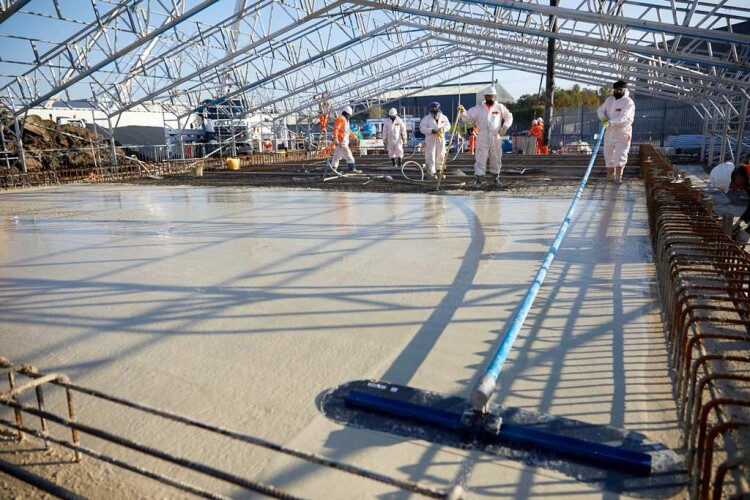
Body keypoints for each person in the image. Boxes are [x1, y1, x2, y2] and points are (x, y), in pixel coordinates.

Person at [458, 86, 513, 188]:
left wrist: (505, 127)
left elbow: (509, 116)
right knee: (480, 157)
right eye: (488, 96)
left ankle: (496, 179)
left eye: (492, 96)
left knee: (496, 157)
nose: (490, 98)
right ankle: (479, 180)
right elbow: (468, 119)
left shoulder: (500, 107)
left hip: (496, 136)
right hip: (482, 136)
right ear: (485, 97)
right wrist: (462, 112)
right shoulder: (478, 109)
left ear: (495, 97)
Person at [597, 80, 635, 183]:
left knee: (620, 155)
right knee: (608, 154)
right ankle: (609, 176)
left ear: (624, 89)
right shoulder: (610, 100)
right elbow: (600, 110)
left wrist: (610, 122)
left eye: (620, 89)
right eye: (616, 89)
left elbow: (623, 117)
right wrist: (604, 119)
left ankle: (618, 177)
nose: (618, 91)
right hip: (609, 132)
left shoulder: (628, 102)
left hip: (623, 132)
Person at [419, 102, 451, 178]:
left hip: (440, 139)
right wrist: (431, 130)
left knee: (441, 154)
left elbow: (448, 126)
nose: (433, 109)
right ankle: (431, 172)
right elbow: (422, 128)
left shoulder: (444, 117)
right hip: (430, 139)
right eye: (432, 108)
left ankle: (439, 170)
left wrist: (443, 129)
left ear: (438, 108)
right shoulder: (426, 118)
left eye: (435, 107)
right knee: (430, 155)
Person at [331, 106, 361, 173]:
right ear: (346, 113)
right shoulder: (341, 119)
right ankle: (352, 169)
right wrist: (336, 139)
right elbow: (336, 129)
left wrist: (355, 137)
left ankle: (333, 169)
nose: (349, 116)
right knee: (349, 155)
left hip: (341, 141)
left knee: (337, 156)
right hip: (341, 141)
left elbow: (348, 131)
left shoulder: (346, 121)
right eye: (348, 115)